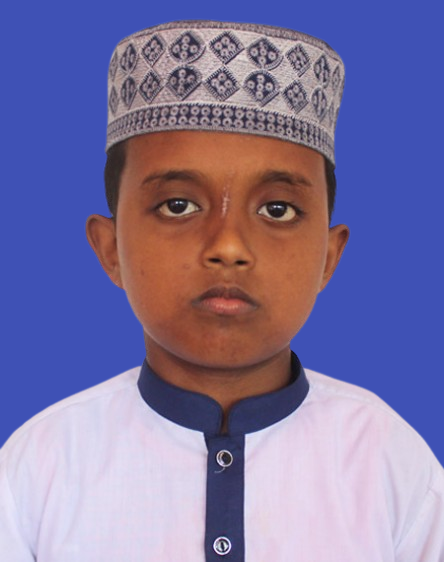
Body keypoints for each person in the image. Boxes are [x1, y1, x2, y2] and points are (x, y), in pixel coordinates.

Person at [1, 19, 443, 561]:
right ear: (110, 247)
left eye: (277, 209)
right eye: (178, 205)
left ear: (329, 256)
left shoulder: (389, 462)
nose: (228, 246)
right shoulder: (40, 468)